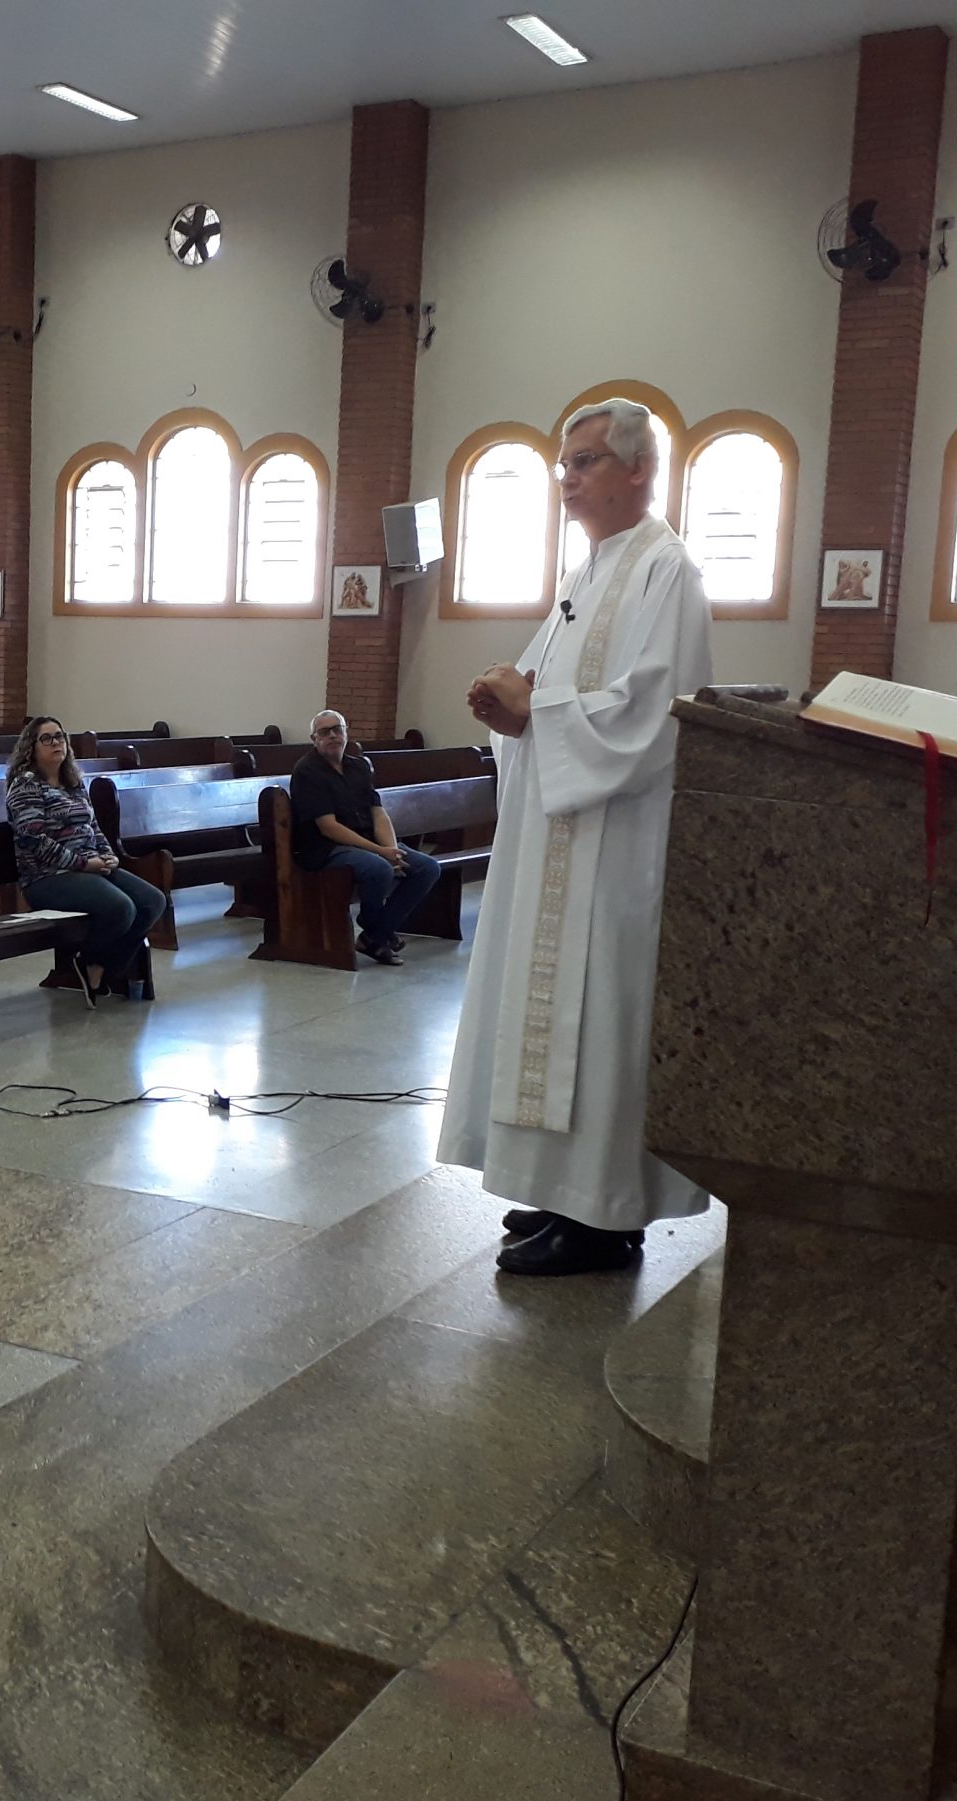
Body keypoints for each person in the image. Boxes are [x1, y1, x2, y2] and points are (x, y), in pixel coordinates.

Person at [440, 398, 714, 1277]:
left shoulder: (664, 570)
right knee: (552, 1013)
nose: (567, 478)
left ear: (640, 470)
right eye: (564, 464)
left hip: (615, 844)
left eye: (586, 461)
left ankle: (605, 1217)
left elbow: (655, 711)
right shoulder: (590, 570)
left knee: (597, 1019)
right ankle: (565, 1194)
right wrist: (508, 706)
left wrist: (537, 711)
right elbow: (544, 690)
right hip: (562, 829)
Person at [5, 716, 164, 1002]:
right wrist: (83, 864)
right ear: (31, 747)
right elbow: (33, 840)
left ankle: (103, 969)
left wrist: (108, 855)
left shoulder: (73, 782)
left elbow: (93, 827)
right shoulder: (26, 786)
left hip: (90, 868)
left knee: (153, 901)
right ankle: (87, 963)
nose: (56, 742)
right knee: (121, 907)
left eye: (59, 736)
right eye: (47, 738)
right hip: (47, 878)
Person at [289, 708, 442, 965]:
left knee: (428, 867)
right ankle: (379, 932)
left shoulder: (358, 766)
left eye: (337, 729)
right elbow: (328, 827)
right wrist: (381, 852)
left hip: (367, 842)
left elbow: (378, 814)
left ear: (346, 733)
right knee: (378, 868)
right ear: (314, 739)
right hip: (326, 848)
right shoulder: (307, 771)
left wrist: (392, 850)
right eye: (324, 732)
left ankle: (374, 934)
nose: (332, 736)